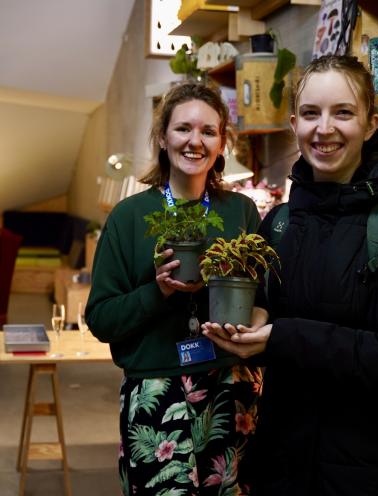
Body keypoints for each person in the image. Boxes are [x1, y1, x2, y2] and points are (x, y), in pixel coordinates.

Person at [202, 55, 378, 495]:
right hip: (286, 468)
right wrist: (251, 329)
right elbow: (269, 322)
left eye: (343, 112)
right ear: (293, 124)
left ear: (371, 123)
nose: (324, 129)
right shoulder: (281, 223)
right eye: (310, 113)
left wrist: (280, 336)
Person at [86, 82, 267, 495]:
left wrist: (255, 320)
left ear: (222, 143)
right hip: (156, 393)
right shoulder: (130, 217)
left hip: (229, 386)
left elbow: (261, 297)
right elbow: (100, 318)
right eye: (183, 128)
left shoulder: (239, 211)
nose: (195, 141)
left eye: (208, 131)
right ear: (163, 138)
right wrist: (159, 291)